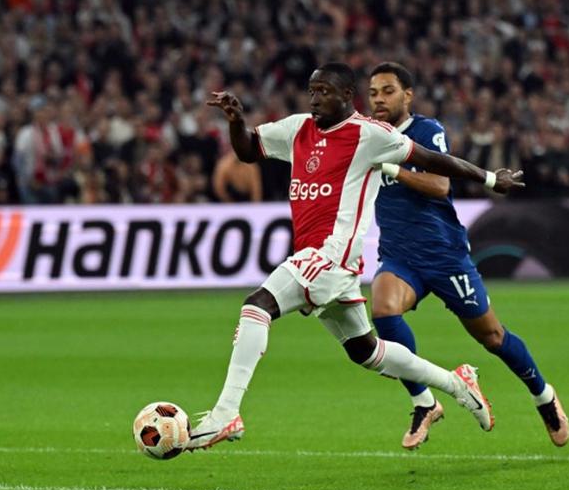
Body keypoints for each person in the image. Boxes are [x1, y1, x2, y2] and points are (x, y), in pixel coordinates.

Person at [188, 63, 524, 450]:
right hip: (319, 260)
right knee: (366, 351)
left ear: (348, 96)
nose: (315, 99)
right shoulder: (298, 128)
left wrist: (490, 178)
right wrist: (236, 121)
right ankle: (457, 383)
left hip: (331, 256)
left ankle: (226, 413)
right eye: (312, 91)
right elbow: (249, 149)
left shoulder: (369, 135)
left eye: (324, 91)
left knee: (256, 306)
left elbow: (433, 160)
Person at [367, 62, 569, 449]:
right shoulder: (367, 135)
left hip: (445, 256)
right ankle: (424, 403)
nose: (379, 99)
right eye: (373, 92)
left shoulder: (427, 131)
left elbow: (440, 185)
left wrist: (392, 168)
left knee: (492, 337)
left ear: (408, 95)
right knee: (384, 311)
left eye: (388, 91)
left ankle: (543, 395)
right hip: (399, 256)